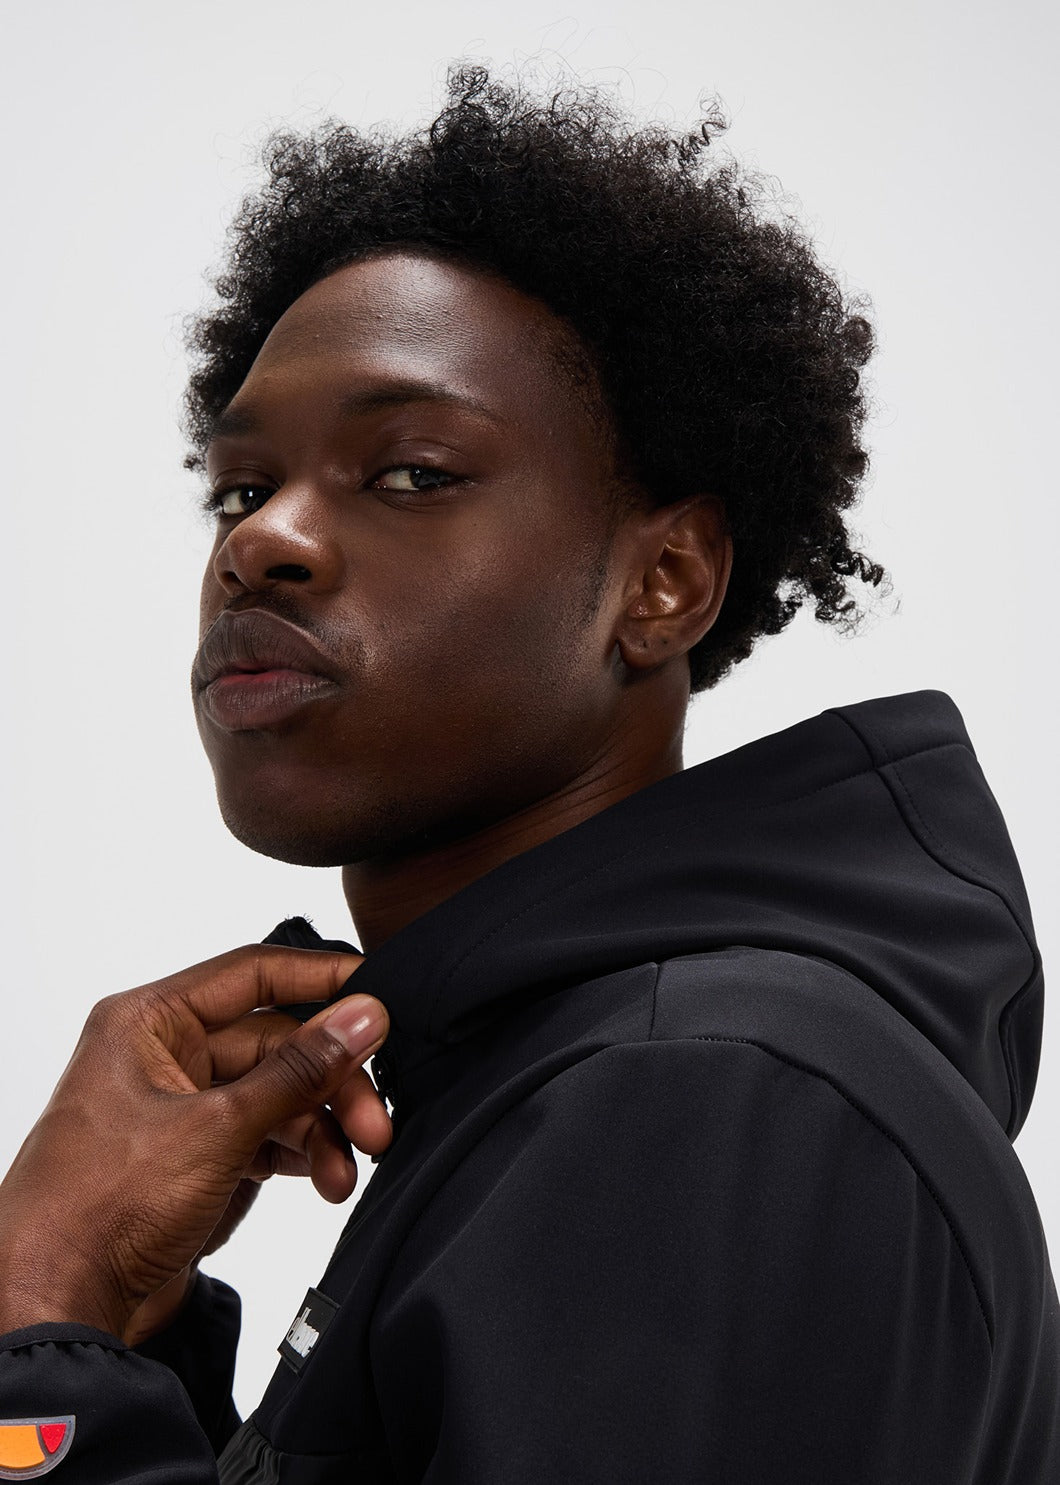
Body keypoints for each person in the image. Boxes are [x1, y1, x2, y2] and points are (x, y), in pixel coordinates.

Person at [0, 64, 1057, 1483]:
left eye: (412, 472)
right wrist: (119, 1329)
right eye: (241, 489)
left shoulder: (702, 1096)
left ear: (666, 581)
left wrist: (37, 1309)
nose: (260, 543)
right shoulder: (591, 1080)